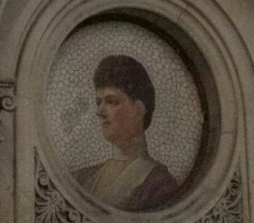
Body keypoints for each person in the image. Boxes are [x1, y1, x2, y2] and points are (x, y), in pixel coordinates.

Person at [74, 51, 185, 212]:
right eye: (98, 102)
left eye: (112, 102)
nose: (100, 111)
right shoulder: (81, 178)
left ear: (139, 110)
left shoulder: (160, 185)